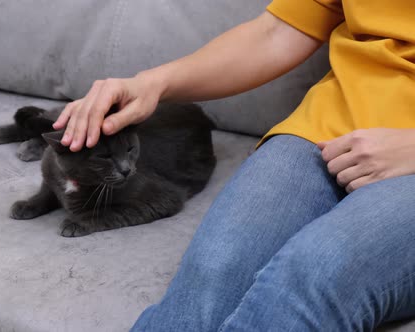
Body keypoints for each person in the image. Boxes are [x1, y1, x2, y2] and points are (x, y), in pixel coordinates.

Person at [54, 0, 415, 330]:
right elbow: (278, 32)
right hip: (325, 132)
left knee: (314, 270)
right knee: (213, 272)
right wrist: (150, 84)